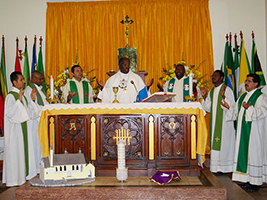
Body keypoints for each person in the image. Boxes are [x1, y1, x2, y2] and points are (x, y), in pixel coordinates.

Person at [221, 73, 267, 193]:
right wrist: (228, 107)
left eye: (249, 81)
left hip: (254, 133)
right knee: (246, 156)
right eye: (246, 81)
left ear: (256, 83)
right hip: (243, 132)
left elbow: (262, 112)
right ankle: (247, 180)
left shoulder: (260, 97)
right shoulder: (243, 97)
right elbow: (235, 112)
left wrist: (250, 109)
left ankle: (255, 183)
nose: (246, 83)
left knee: (253, 155)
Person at [3, 71, 39, 187]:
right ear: (14, 82)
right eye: (21, 80)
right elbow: (10, 114)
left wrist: (32, 101)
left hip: (23, 131)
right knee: (16, 155)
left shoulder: (21, 95)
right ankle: (15, 179)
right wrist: (18, 102)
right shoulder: (11, 96)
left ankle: (23, 176)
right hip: (16, 133)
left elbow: (28, 113)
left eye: (23, 80)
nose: (24, 82)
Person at [200, 70, 235, 174]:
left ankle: (226, 167)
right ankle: (216, 167)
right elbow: (208, 108)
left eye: (216, 75)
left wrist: (225, 99)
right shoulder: (212, 91)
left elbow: (232, 105)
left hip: (224, 123)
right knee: (216, 143)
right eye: (213, 75)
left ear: (222, 78)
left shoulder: (227, 90)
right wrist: (205, 96)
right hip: (215, 122)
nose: (213, 77)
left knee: (224, 143)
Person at [24, 70, 48, 173]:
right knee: (36, 143)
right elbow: (32, 107)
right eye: (39, 79)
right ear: (33, 78)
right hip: (35, 121)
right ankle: (36, 168)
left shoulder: (40, 90)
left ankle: (41, 166)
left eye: (42, 79)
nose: (42, 81)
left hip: (41, 119)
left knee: (40, 144)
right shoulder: (29, 90)